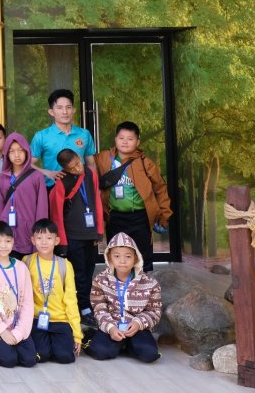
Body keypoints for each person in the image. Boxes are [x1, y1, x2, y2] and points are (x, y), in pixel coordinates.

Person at [95, 121, 173, 272]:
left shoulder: (145, 163)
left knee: (141, 256)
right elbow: (82, 163)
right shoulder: (104, 158)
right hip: (115, 217)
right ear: (115, 140)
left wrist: (164, 215)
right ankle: (120, 285)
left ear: (137, 142)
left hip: (140, 217)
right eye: (121, 138)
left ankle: (142, 285)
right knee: (117, 256)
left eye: (130, 139)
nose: (125, 142)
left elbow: (160, 188)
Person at [85, 232, 162, 363]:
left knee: (149, 354)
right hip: (112, 325)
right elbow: (99, 309)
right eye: (117, 256)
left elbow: (155, 311)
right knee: (101, 351)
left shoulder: (150, 283)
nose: (122, 261)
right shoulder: (100, 280)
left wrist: (138, 323)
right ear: (109, 258)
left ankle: (128, 346)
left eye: (128, 256)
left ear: (136, 258)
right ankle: (90, 335)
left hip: (137, 327)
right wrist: (111, 327)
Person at [50, 148, 104, 325]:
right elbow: (56, 214)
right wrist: (62, 242)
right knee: (78, 274)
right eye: (72, 168)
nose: (78, 168)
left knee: (89, 270)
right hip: (72, 235)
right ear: (65, 168)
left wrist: (99, 230)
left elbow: (96, 201)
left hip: (90, 233)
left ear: (79, 158)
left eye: (78, 163)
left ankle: (86, 304)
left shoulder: (90, 173)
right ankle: (83, 308)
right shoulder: (61, 182)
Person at [0, 221, 36, 368]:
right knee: (9, 360)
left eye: (7, 241)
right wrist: (2, 330)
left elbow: (27, 303)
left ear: (13, 242)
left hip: (17, 325)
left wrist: (19, 332)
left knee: (29, 360)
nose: (3, 245)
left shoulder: (21, 267)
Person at [24, 219, 82, 364]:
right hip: (37, 319)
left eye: (49, 238)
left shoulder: (65, 265)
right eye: (39, 238)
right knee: (42, 355)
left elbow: (71, 300)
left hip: (60, 320)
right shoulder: (27, 261)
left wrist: (77, 334)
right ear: (33, 240)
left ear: (57, 241)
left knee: (65, 357)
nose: (44, 242)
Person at [0, 133, 48, 259]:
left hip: (29, 232)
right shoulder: (2, 177)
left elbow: (42, 208)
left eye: (20, 150)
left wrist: (40, 234)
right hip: (6, 232)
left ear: (27, 152)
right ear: (7, 154)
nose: (16, 155)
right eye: (12, 151)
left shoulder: (36, 176)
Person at [30, 89, 97, 188]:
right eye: (59, 108)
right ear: (51, 112)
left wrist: (95, 188)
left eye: (68, 107)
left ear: (73, 110)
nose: (65, 112)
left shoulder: (84, 134)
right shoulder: (41, 136)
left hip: (80, 189)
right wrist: (47, 173)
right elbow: (28, 164)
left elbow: (91, 164)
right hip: (52, 188)